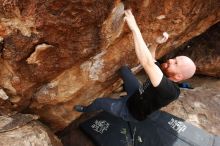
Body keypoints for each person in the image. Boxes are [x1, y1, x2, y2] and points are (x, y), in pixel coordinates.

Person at [74, 10, 196, 122]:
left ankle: (85, 109)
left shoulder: (170, 91)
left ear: (178, 76)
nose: (170, 60)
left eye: (175, 63)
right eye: (174, 59)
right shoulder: (165, 72)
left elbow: (147, 62)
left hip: (130, 111)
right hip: (137, 94)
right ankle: (123, 90)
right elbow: (152, 59)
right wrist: (156, 43)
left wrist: (135, 29)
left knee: (99, 102)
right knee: (124, 70)